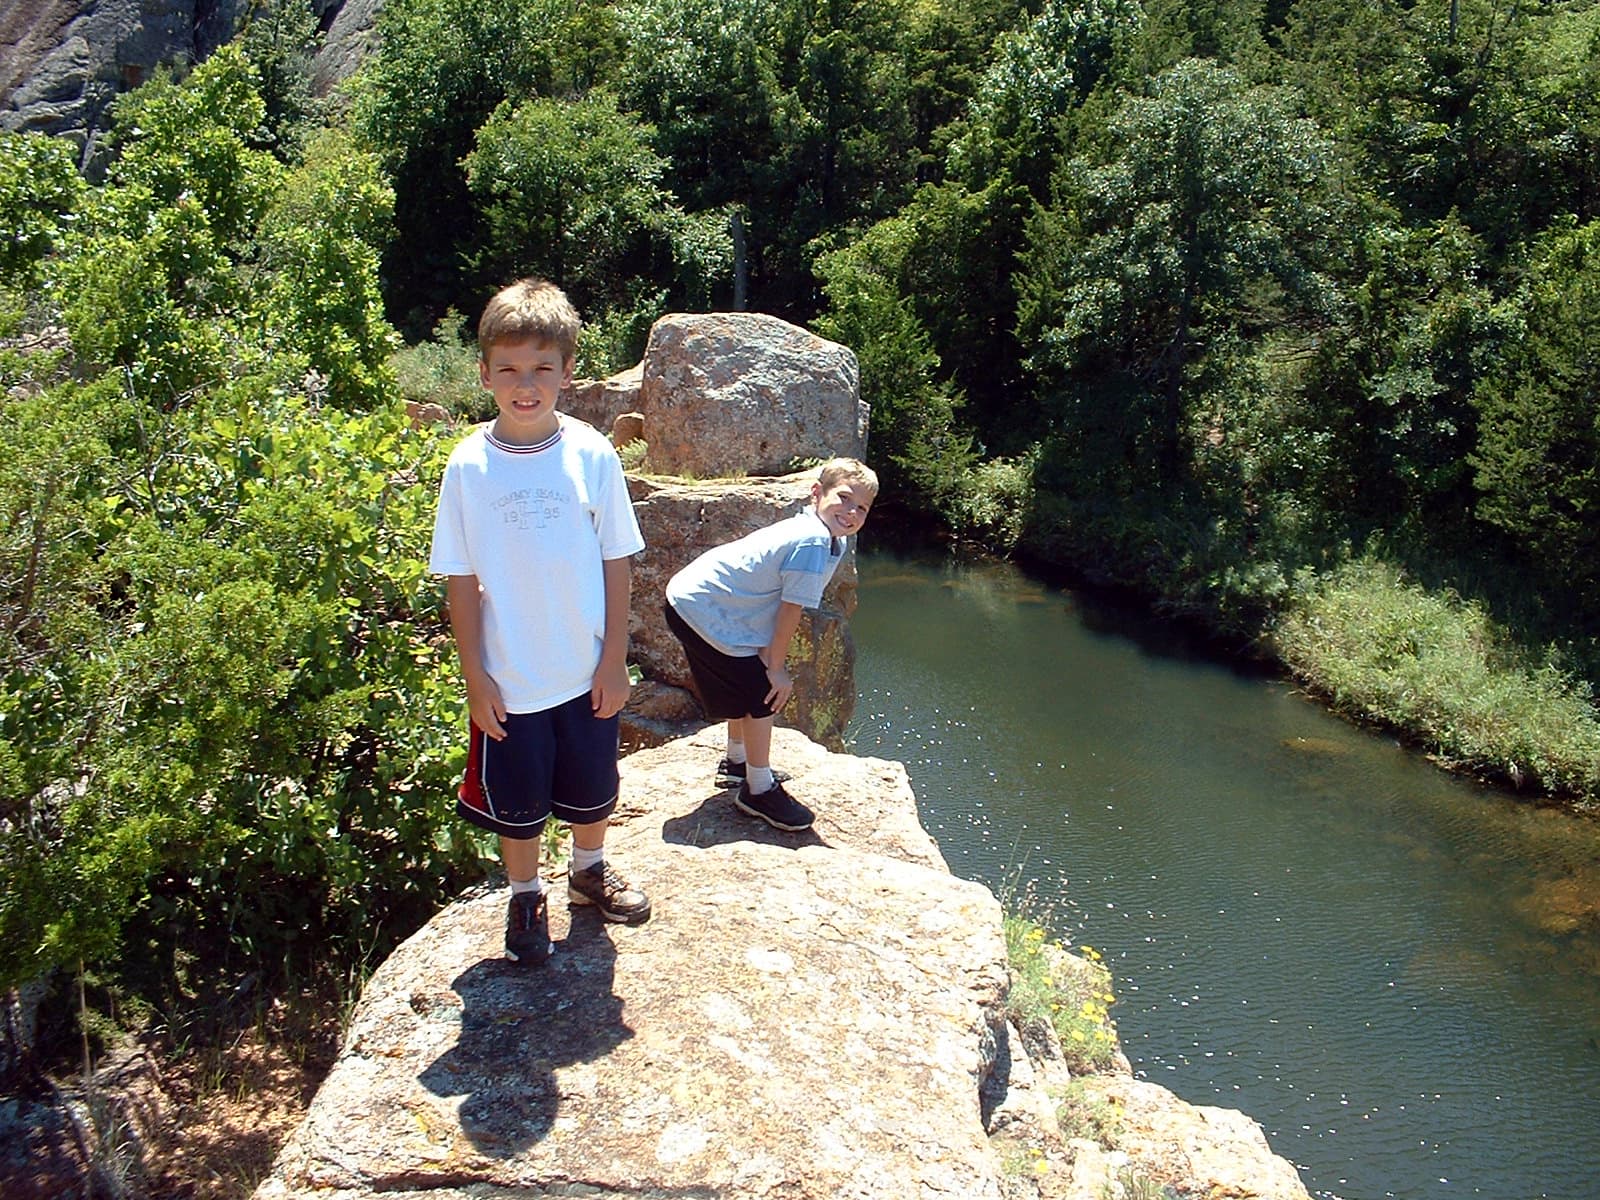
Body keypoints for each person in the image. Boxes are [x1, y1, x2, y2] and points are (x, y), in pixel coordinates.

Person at [429, 278, 650, 967]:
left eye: (542, 369)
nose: (526, 385)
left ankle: (588, 871)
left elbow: (618, 561)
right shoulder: (467, 465)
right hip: (512, 676)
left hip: (584, 669)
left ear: (567, 371)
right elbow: (461, 581)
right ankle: (525, 894)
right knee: (517, 806)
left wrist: (613, 659)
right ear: (485, 373)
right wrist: (476, 678)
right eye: (510, 370)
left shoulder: (591, 454)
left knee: (593, 789)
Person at [663, 458, 878, 831]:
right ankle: (757, 789)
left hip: (694, 601)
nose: (851, 511)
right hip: (703, 608)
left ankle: (737, 762)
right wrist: (775, 669)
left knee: (746, 680)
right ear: (817, 493)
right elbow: (791, 609)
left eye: (861, 507)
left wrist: (766, 657)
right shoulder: (812, 541)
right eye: (843, 498)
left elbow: (779, 601)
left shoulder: (828, 537)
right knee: (763, 690)